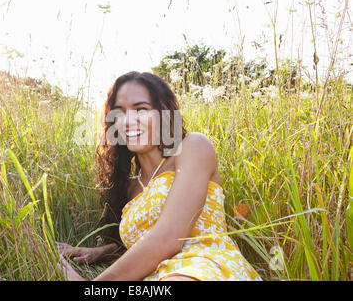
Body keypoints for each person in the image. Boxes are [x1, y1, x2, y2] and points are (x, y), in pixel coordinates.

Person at [57, 71, 261, 281]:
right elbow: (141, 244)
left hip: (206, 266)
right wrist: (99, 251)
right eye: (119, 112)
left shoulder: (193, 148)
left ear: (164, 113)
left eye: (141, 109)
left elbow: (169, 237)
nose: (128, 121)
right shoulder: (127, 187)